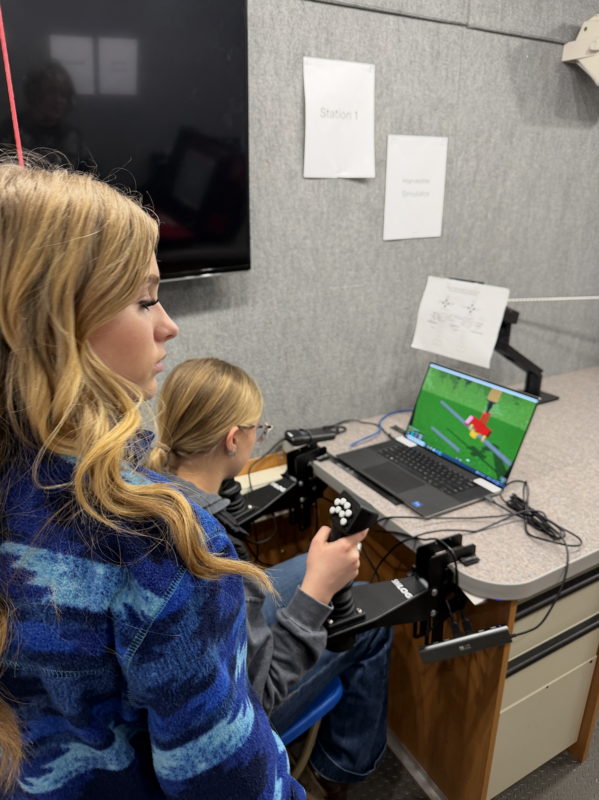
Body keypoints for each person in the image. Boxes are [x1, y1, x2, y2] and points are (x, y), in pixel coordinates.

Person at [0, 158, 304, 799]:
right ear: (53, 324)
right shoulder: (160, 544)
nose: (168, 325)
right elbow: (230, 779)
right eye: (144, 300)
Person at [148, 358, 394, 799]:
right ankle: (339, 769)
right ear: (232, 439)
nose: (258, 438)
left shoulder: (156, 485)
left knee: (329, 575)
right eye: (258, 431)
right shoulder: (214, 552)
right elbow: (260, 693)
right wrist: (318, 591)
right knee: (370, 618)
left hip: (204, 655)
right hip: (238, 714)